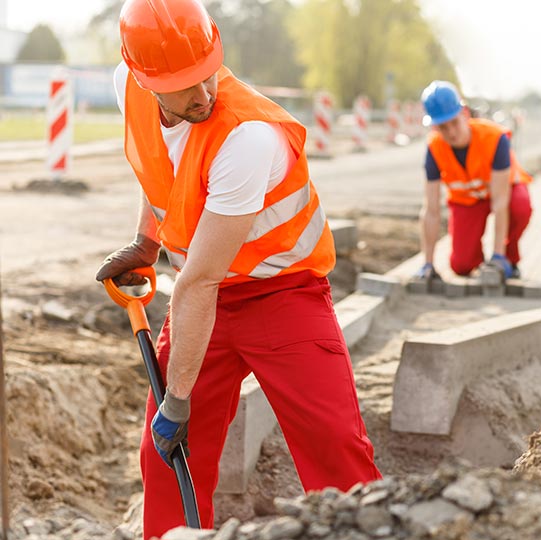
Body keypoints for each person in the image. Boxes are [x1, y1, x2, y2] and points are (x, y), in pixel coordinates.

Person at [95, 0, 382, 537]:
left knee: (335, 452)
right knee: (165, 459)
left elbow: (198, 280)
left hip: (282, 297)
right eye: (182, 84)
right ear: (142, 77)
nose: (201, 94)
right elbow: (158, 168)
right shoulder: (128, 87)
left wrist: (178, 399)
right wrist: (145, 240)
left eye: (206, 75)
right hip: (205, 301)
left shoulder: (246, 136)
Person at [416, 80, 533, 281]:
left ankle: (508, 258)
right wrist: (428, 263)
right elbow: (431, 210)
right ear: (434, 126)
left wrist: (498, 255)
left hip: (503, 194)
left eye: (454, 122)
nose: (451, 132)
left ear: (465, 113)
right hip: (468, 201)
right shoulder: (434, 149)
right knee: (461, 265)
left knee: (520, 207)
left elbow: (500, 202)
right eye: (443, 127)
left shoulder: (494, 138)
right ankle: (478, 261)